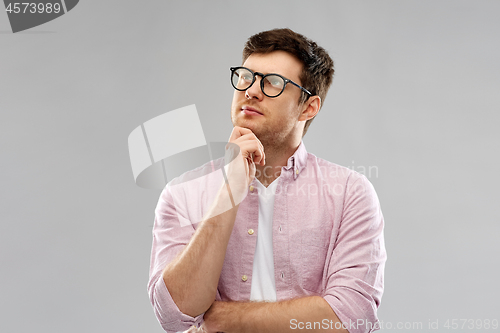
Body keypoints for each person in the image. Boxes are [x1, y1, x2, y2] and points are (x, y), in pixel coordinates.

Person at [148, 28, 386, 333]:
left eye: (272, 83)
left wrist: (220, 319)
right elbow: (175, 313)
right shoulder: (183, 194)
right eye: (246, 76)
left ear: (308, 107)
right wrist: (229, 194)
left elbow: (352, 315)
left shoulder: (350, 193)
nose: (250, 91)